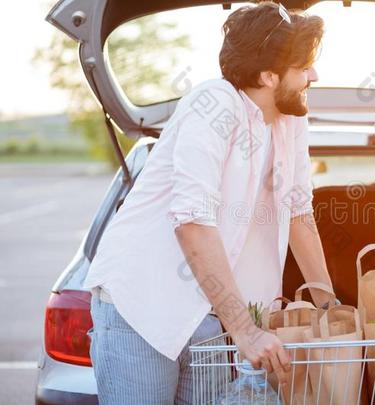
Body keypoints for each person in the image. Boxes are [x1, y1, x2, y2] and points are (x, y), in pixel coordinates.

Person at [83, 2, 334, 403]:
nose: (315, 76)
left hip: (209, 319)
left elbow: (299, 210)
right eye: (305, 66)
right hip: (143, 308)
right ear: (268, 76)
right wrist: (246, 331)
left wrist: (330, 305)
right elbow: (192, 221)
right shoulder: (214, 103)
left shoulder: (292, 118)